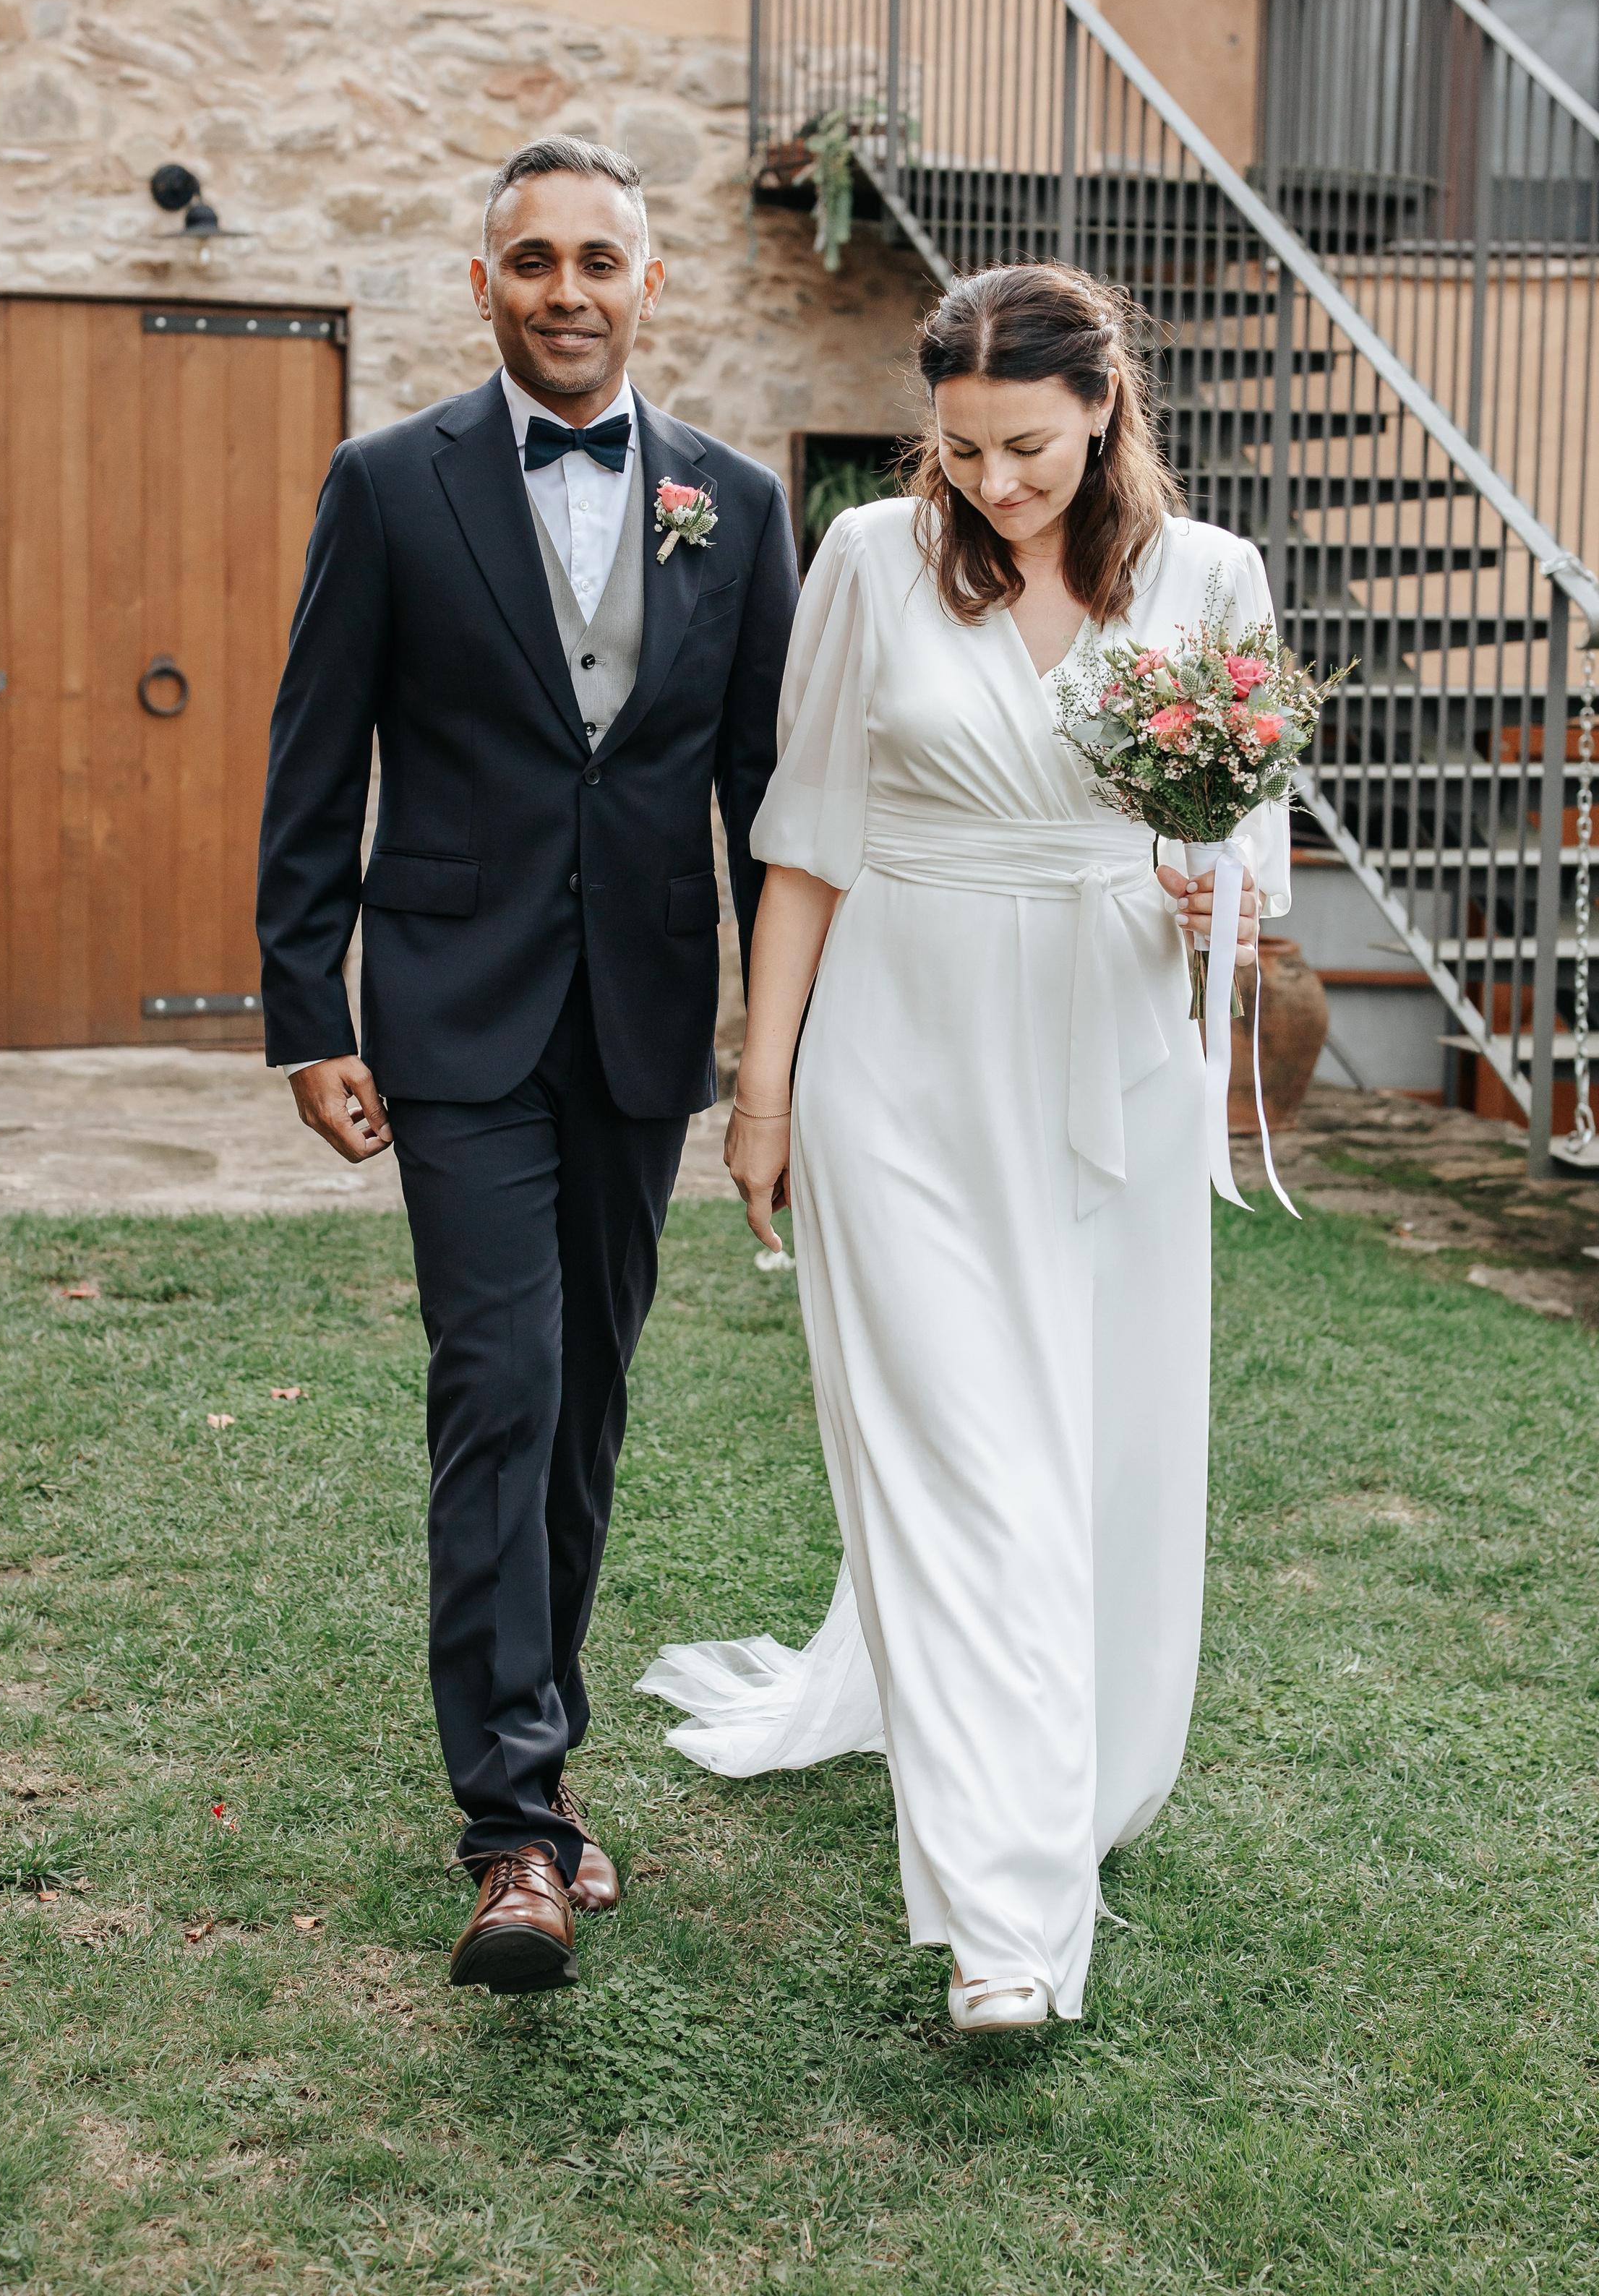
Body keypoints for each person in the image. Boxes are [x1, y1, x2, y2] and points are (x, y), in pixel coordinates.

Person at [640, 262, 1287, 2031]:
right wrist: (760, 1089)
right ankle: (1007, 1919)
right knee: (958, 1468)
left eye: (1024, 447)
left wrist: (1195, 890)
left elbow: (1253, 859)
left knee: (1094, 1451)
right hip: (897, 1057)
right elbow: (803, 843)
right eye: (959, 448)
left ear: (1101, 409)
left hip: (1105, 1065)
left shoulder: (1208, 577)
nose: (992, 483)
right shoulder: (865, 558)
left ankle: (1071, 1771)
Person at [257, 137, 798, 1995]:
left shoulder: (731, 503)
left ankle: (539, 1766)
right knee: (498, 1380)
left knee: (582, 1406)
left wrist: (779, 1049)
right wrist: (306, 1012)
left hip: (638, 1026)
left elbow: (763, 798)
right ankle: (510, 1828)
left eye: (597, 260)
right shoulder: (389, 484)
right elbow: (314, 759)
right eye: (528, 261)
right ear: (479, 282)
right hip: (452, 1019)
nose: (563, 289)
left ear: (655, 283)